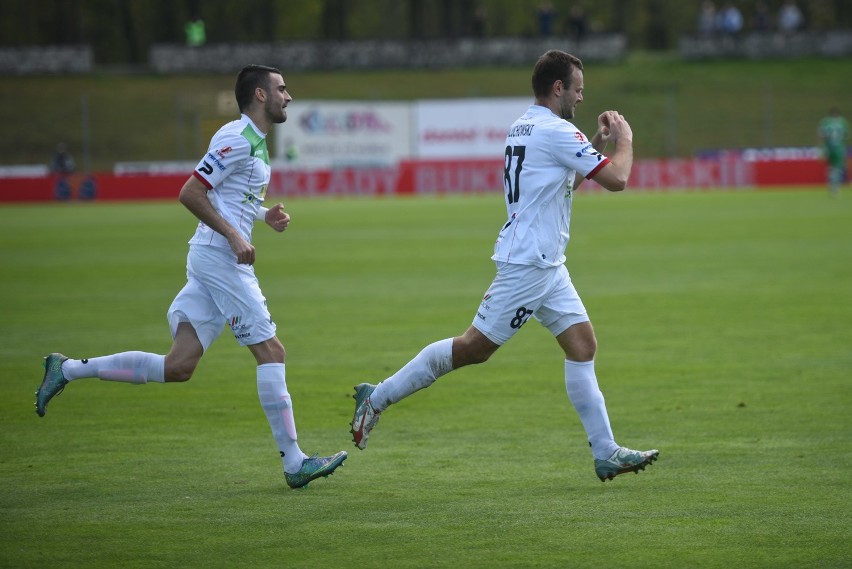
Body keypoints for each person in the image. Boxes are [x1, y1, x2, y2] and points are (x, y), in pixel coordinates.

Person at [350, 50, 659, 482]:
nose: (581, 98)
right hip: (529, 263)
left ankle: (605, 451)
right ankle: (376, 397)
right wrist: (625, 138)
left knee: (583, 345)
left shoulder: (524, 125)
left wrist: (598, 144)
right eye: (578, 90)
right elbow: (618, 180)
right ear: (558, 88)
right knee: (474, 348)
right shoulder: (556, 131)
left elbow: (563, 182)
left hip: (547, 264)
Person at [35, 64, 347, 489]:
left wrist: (261, 215)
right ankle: (295, 463)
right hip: (219, 260)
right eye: (281, 88)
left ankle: (67, 369)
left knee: (178, 365)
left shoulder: (248, 139)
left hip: (210, 257)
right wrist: (237, 235)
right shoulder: (237, 138)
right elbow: (191, 193)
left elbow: (228, 192)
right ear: (259, 95)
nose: (288, 96)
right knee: (272, 351)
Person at [818, 107, 849, 197]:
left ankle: (831, 185)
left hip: (828, 147)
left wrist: (821, 148)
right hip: (839, 147)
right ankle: (835, 187)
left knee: (831, 167)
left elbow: (821, 134)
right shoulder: (843, 121)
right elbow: (846, 135)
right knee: (838, 167)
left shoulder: (825, 121)